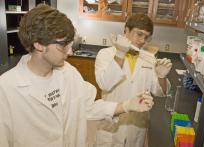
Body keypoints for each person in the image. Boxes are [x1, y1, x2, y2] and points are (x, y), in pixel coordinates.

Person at [0, 5, 154, 147]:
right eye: (63, 45)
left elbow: (88, 107)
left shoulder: (69, 73)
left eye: (70, 44)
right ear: (39, 44)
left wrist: (126, 105)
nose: (70, 52)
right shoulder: (6, 89)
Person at [94, 13, 172, 147]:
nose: (142, 40)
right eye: (139, 34)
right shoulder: (105, 54)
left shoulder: (149, 59)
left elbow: (161, 92)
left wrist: (162, 77)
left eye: (146, 37)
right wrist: (120, 54)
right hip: (112, 124)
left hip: (137, 126)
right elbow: (105, 84)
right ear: (126, 31)